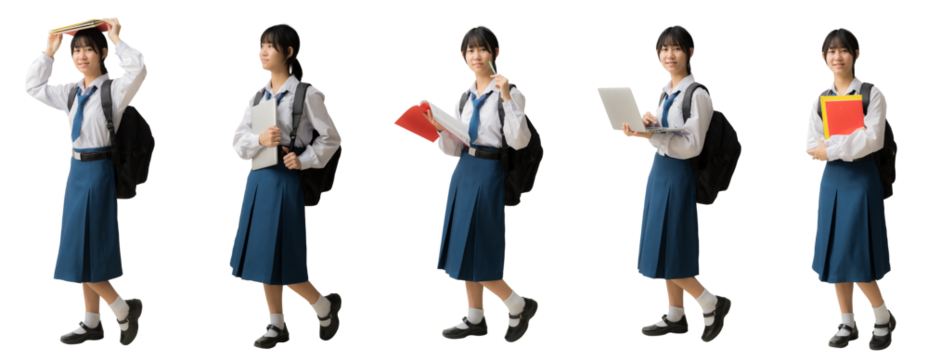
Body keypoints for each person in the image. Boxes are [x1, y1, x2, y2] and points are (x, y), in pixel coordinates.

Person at [25, 15, 146, 348]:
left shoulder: (115, 89)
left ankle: (124, 310)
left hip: (99, 174)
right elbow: (33, 87)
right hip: (75, 173)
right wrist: (49, 53)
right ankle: (92, 323)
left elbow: (138, 69)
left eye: (88, 50)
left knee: (88, 250)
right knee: (80, 249)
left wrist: (118, 36)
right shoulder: (71, 92)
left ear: (103, 53)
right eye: (76, 51)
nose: (80, 56)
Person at [229, 21, 343, 350]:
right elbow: (237, 143)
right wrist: (259, 138)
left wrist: (304, 159)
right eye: (261, 46)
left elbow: (332, 138)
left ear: (289, 52)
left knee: (286, 258)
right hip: (258, 179)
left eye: (270, 46)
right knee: (264, 257)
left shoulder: (308, 94)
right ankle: (276, 324)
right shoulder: (258, 96)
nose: (263, 53)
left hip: (285, 182)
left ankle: (324, 307)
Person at [423, 23, 538, 345]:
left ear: (495, 53)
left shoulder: (512, 92)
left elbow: (518, 140)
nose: (476, 55)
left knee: (481, 250)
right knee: (462, 248)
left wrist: (506, 98)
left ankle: (518, 305)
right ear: (463, 56)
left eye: (482, 48)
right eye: (470, 50)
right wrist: (440, 129)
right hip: (463, 172)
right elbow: (452, 149)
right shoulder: (464, 97)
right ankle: (475, 318)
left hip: (489, 173)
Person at [628, 23, 732, 345]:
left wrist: (652, 135)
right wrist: (649, 126)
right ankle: (675, 316)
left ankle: (712, 304)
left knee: (672, 246)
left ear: (690, 52)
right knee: (663, 246)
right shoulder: (666, 90)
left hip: (678, 174)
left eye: (676, 48)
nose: (669, 55)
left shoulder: (697, 94)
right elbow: (666, 137)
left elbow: (692, 145)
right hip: (660, 172)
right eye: (663, 49)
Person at [804, 26, 894, 352]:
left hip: (861, 181)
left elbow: (872, 140)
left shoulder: (872, 94)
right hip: (831, 183)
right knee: (835, 253)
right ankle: (847, 322)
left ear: (856, 55)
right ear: (825, 58)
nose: (836, 56)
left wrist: (833, 147)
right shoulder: (820, 101)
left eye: (843, 50)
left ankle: (882, 317)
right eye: (830, 51)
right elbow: (812, 146)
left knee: (857, 253)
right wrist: (839, 146)